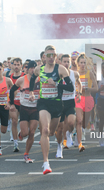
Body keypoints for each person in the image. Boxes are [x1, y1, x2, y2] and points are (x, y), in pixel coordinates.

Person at [29, 45, 74, 174]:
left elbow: (70, 88)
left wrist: (57, 84)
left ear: (55, 56)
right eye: (48, 55)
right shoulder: (39, 69)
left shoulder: (61, 69)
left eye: (53, 55)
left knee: (52, 132)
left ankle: (57, 144)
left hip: (57, 105)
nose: (50, 57)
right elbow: (33, 79)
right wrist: (32, 92)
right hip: (43, 103)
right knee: (45, 130)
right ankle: (46, 163)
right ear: (44, 56)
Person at [10, 60, 39, 163]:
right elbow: (12, 90)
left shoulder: (40, 80)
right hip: (24, 108)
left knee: (32, 132)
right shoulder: (21, 80)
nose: (33, 70)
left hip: (35, 109)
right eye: (31, 68)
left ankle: (26, 154)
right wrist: (12, 103)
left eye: (34, 68)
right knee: (26, 133)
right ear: (27, 69)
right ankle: (21, 134)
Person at [55, 54, 82, 157]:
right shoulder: (57, 74)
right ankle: (59, 146)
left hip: (70, 101)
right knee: (60, 128)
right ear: (61, 62)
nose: (66, 64)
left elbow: (79, 84)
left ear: (71, 63)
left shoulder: (74, 74)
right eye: (64, 62)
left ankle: (69, 134)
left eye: (68, 62)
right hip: (60, 102)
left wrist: (79, 93)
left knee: (71, 122)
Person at [75, 53, 98, 150]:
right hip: (78, 99)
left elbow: (96, 88)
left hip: (88, 99)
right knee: (79, 120)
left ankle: (82, 131)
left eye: (84, 62)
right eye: (81, 63)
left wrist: (88, 88)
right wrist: (78, 90)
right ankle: (79, 142)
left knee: (84, 122)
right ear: (78, 64)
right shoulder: (75, 74)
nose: (83, 64)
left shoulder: (90, 73)